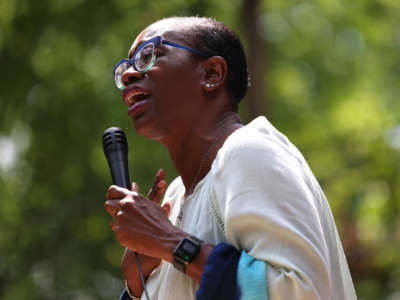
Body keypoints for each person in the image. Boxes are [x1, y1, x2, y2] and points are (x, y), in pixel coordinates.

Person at [104, 16, 357, 300]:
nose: (129, 74)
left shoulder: (249, 151)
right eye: (126, 67)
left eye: (150, 55)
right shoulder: (174, 197)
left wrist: (168, 241)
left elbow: (297, 291)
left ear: (212, 74)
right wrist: (136, 283)